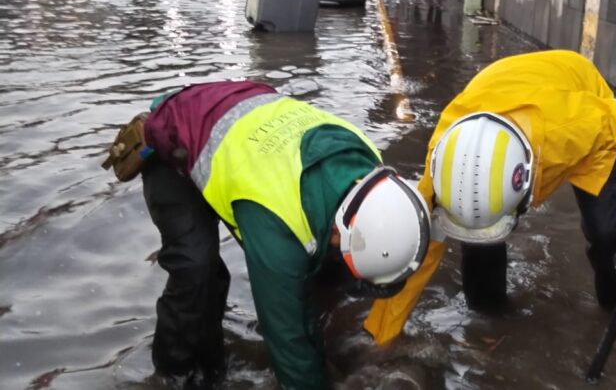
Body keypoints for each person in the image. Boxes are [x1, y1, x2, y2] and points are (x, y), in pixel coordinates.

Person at [363, 49, 616, 346]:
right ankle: (487, 315)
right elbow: (420, 254)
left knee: (605, 230)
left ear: (528, 184)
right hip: (507, 89)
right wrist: (380, 339)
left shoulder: (579, 124)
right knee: (479, 234)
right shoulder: (447, 164)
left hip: (573, 101)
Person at [125, 80, 430, 388]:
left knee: (322, 266)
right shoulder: (277, 226)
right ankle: (174, 374)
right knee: (196, 268)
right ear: (342, 233)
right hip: (175, 136)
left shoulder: (369, 168)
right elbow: (288, 339)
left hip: (246, 118)